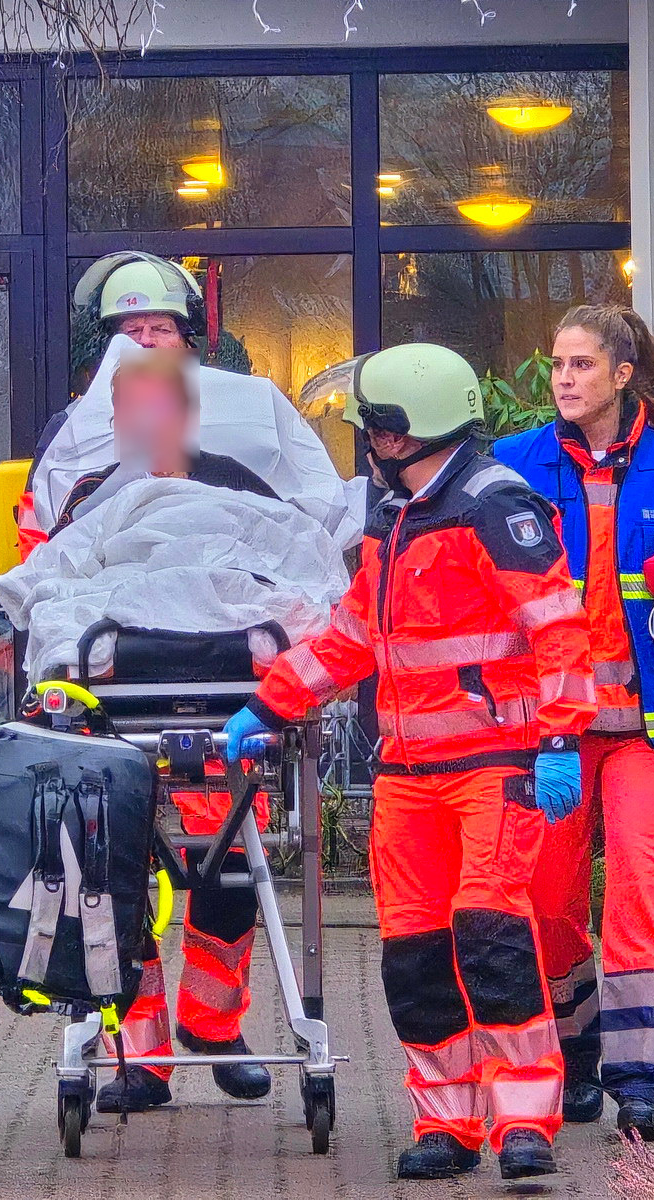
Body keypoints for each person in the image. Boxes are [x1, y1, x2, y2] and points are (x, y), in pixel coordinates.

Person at [221, 343, 595, 1181]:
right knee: (416, 955)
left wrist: (562, 737)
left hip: (494, 761)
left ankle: (524, 1121)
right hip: (409, 773)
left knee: (492, 937)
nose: (372, 444)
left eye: (380, 430)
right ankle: (449, 1123)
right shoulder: (394, 515)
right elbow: (355, 635)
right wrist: (271, 702)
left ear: (417, 427)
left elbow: (558, 628)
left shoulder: (496, 508)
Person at [50, 348, 279, 1114]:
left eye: (162, 406)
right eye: (132, 409)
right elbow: (59, 595)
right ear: (114, 420)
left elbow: (284, 572)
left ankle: (215, 1026)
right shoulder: (89, 498)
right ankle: (140, 1055)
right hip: (116, 723)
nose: (148, 422)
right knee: (113, 886)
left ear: (187, 414)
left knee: (233, 877)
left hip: (226, 717)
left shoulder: (239, 489)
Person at [493, 305, 654, 1142]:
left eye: (581, 364)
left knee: (643, 892)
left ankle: (642, 1080)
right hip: (554, 730)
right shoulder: (511, 466)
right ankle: (573, 1058)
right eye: (556, 364)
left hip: (650, 734)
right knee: (546, 903)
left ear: (621, 373)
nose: (563, 378)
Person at [25, 252, 359, 552]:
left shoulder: (245, 410)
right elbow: (44, 521)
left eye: (160, 328)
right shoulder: (71, 426)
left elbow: (307, 504)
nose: (147, 341)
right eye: (132, 331)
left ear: (187, 345)